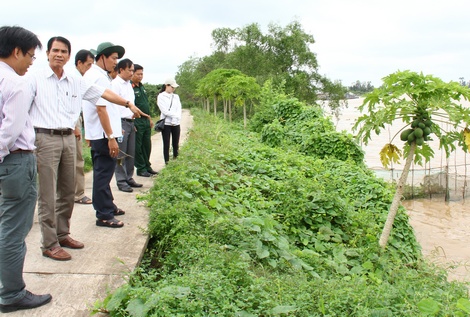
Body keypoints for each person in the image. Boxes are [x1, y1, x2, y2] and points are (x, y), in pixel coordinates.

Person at [29, 37, 146, 261]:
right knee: (47, 194)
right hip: (45, 137)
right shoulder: (35, 78)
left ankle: (63, 235)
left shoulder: (75, 79)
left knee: (66, 191)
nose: (59, 55)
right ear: (47, 53)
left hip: (68, 137)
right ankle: (49, 242)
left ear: (69, 55)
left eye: (64, 51)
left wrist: (127, 103)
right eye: (55, 50)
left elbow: (101, 94)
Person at [0, 25, 52, 313]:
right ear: (16, 51)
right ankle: (12, 293)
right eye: (31, 56)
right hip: (14, 160)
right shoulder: (15, 84)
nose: (31, 62)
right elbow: (10, 130)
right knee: (13, 229)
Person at [83, 42, 147, 228]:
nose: (115, 62)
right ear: (102, 57)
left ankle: (108, 205)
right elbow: (101, 109)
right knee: (103, 174)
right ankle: (104, 214)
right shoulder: (97, 77)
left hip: (104, 133)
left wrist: (128, 104)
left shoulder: (99, 76)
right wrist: (111, 137)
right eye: (113, 58)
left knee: (105, 172)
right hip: (103, 135)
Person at [112, 59, 142, 192]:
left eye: (132, 70)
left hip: (130, 122)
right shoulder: (115, 85)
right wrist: (117, 127)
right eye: (129, 70)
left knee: (130, 152)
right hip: (120, 123)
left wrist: (132, 121)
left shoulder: (128, 85)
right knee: (121, 154)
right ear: (121, 70)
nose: (132, 73)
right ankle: (121, 180)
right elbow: (113, 107)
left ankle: (129, 177)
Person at [74, 49, 95, 205]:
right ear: (79, 63)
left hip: (76, 121)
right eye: (88, 65)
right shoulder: (75, 79)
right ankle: (78, 194)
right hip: (71, 123)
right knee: (77, 161)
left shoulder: (81, 80)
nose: (90, 68)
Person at [131, 64, 158, 177]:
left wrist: (150, 118)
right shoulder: (130, 87)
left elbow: (146, 104)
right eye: (138, 74)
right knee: (138, 146)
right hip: (137, 120)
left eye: (142, 74)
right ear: (132, 74)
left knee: (147, 145)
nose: (140, 76)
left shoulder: (142, 87)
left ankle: (147, 166)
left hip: (146, 120)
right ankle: (141, 168)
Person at [157, 78, 182, 164]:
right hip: (166, 123)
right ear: (166, 86)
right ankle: (167, 162)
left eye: (174, 87)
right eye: (172, 87)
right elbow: (164, 111)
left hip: (176, 123)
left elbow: (179, 108)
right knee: (166, 144)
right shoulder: (161, 96)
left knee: (176, 144)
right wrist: (175, 115)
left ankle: (176, 160)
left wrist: (177, 117)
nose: (173, 89)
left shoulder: (176, 97)